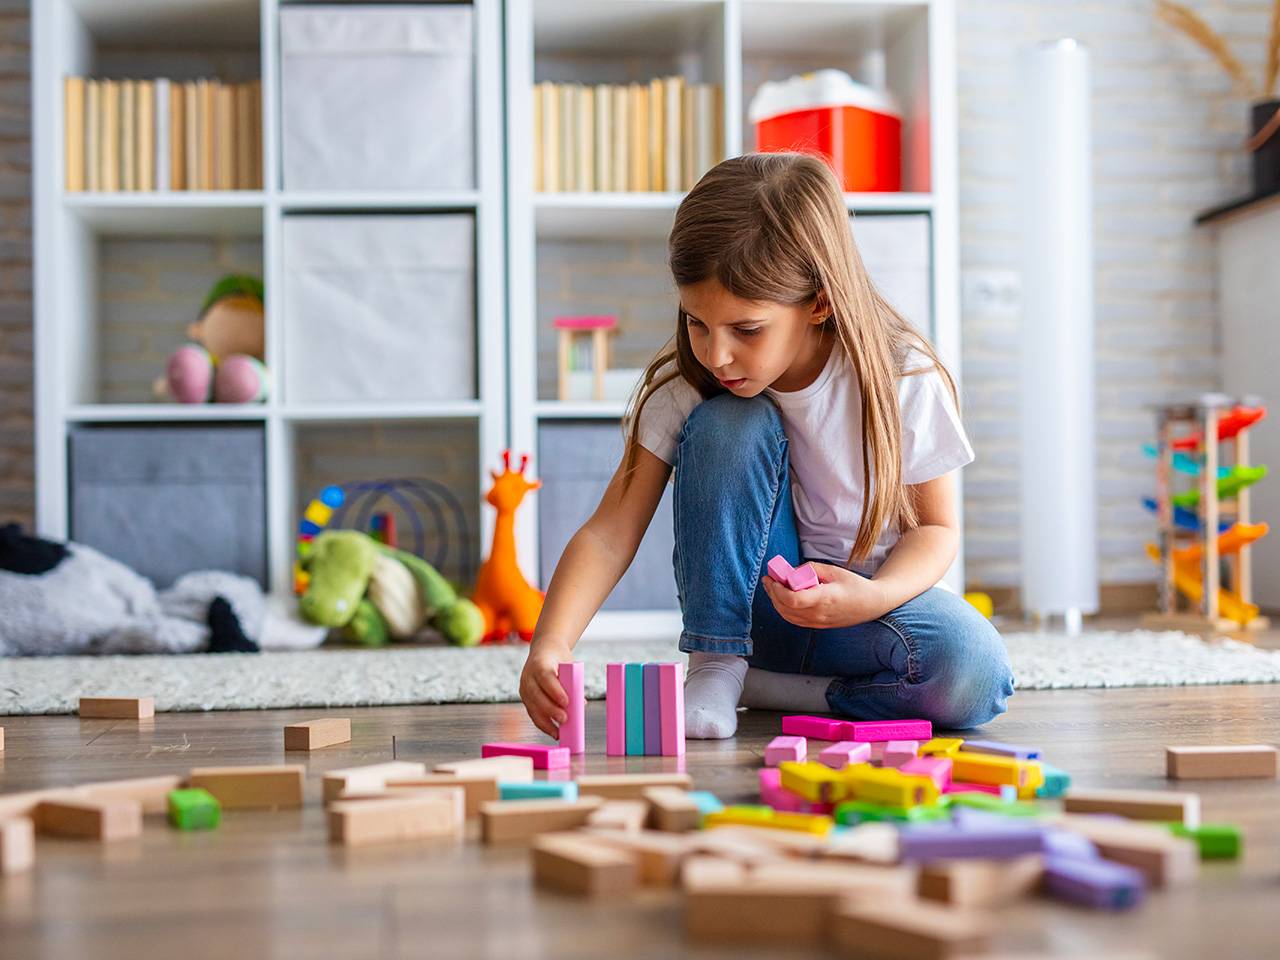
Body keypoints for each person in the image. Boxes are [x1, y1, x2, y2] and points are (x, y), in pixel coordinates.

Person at [519, 152, 1014, 740]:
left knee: (974, 669)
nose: (715, 354)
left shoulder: (902, 375)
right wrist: (550, 643)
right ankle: (718, 664)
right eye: (697, 323)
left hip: (864, 613)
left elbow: (936, 531)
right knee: (731, 422)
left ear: (819, 302)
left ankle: (781, 691)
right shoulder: (688, 392)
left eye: (746, 330)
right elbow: (610, 531)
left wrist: (871, 597)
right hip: (747, 617)